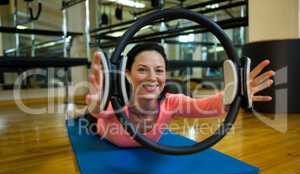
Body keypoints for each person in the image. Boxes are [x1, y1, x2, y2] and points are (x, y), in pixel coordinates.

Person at [85, 43, 275, 147]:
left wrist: (236, 93)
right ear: (127, 73)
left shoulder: (171, 103)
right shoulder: (117, 100)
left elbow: (208, 105)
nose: (152, 78)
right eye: (142, 70)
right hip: (98, 127)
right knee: (85, 120)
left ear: (165, 74)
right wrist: (94, 102)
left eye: (159, 70)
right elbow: (98, 111)